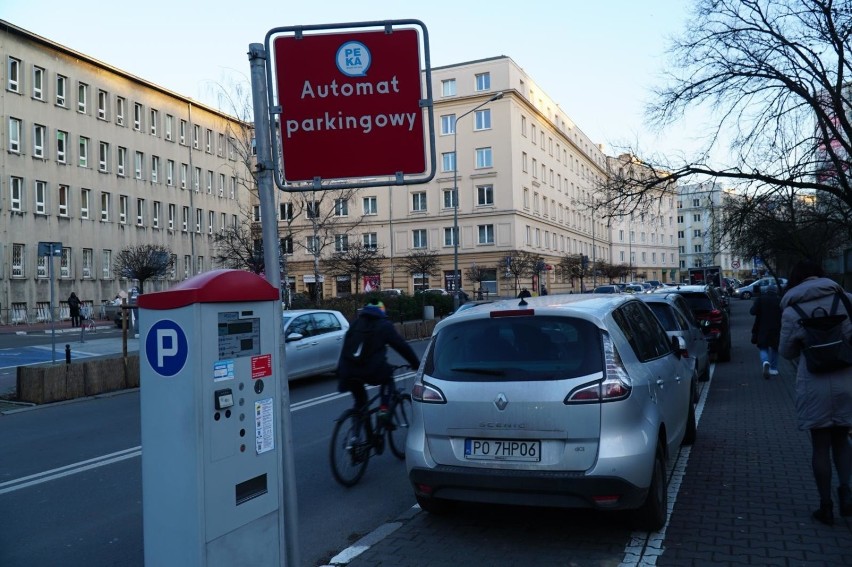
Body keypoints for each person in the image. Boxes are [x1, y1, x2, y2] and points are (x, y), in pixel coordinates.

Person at [779, 259, 852, 525]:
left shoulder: (792, 310)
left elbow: (786, 352)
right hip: (846, 379)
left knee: (820, 446)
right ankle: (846, 491)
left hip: (814, 383)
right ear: (822, 275)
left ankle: (826, 506)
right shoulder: (846, 301)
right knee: (842, 439)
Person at [337, 300, 421, 439]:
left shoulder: (356, 324)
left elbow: (345, 348)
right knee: (388, 379)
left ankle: (356, 437)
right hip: (370, 370)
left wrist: (341, 371)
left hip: (348, 370)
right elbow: (401, 346)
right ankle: (383, 413)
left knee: (360, 403)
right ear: (382, 311)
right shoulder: (384, 325)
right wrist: (416, 364)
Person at [750, 284, 782, 378]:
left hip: (762, 327)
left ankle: (765, 361)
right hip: (777, 328)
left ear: (766, 291)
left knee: (763, 347)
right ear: (776, 291)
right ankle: (774, 369)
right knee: (775, 348)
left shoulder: (761, 299)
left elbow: (752, 312)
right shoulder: (780, 300)